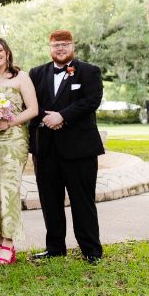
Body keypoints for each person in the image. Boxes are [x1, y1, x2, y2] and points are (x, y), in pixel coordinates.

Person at [28, 30, 105, 264]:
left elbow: (91, 101)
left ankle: (91, 250)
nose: (60, 49)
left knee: (83, 201)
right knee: (50, 201)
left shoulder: (90, 71)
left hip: (80, 149)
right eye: (56, 45)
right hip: (46, 149)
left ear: (73, 45)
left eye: (65, 44)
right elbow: (29, 103)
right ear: (50, 48)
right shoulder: (36, 73)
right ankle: (55, 248)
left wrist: (62, 116)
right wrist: (46, 117)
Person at [0, 38, 39, 265]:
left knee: (8, 188)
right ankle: (0, 242)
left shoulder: (21, 77)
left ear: (7, 52)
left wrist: (9, 122)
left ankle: (9, 244)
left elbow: (33, 109)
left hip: (13, 140)